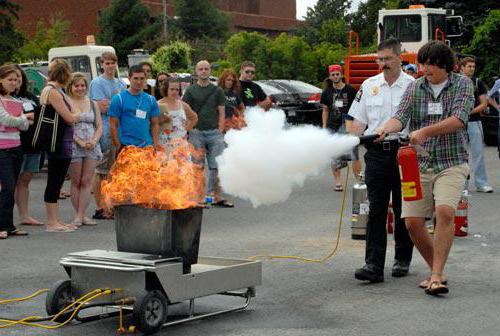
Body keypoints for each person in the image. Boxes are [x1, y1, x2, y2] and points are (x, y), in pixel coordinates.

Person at [378, 41, 474, 295]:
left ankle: (434, 276)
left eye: (431, 64)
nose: (426, 69)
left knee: (444, 212)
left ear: (446, 66)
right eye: (423, 63)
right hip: (417, 163)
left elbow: (459, 119)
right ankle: (438, 271)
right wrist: (387, 127)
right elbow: (401, 116)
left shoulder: (462, 84)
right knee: (411, 223)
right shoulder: (415, 87)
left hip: (451, 161)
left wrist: (423, 132)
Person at [348, 38, 415, 283]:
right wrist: (350, 142)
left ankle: (402, 259)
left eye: (387, 59)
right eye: (380, 59)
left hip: (404, 153)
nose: (383, 64)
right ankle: (373, 265)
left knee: (403, 208)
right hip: (376, 153)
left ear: (400, 57)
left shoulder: (413, 86)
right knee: (375, 208)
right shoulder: (369, 85)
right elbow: (358, 121)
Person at [41, 59, 80, 232]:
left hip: (63, 141)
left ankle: (56, 219)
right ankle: (51, 222)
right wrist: (77, 115)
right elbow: (69, 117)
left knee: (57, 181)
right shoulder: (53, 92)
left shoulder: (56, 90)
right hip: (58, 142)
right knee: (54, 181)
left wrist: (74, 114)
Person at [182, 60, 226, 205]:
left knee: (215, 165)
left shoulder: (217, 90)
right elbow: (185, 111)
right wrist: (188, 130)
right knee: (197, 166)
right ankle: (199, 196)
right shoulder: (190, 91)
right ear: (196, 71)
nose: (203, 71)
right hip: (197, 133)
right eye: (200, 69)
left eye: (206, 69)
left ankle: (211, 193)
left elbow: (221, 111)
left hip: (214, 133)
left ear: (210, 70)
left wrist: (220, 129)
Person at [88, 51, 126, 220]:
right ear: (102, 64)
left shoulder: (120, 83)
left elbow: (124, 106)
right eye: (107, 63)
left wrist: (114, 105)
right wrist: (114, 105)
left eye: (113, 63)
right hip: (105, 129)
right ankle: (100, 206)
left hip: (120, 130)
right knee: (102, 170)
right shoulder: (97, 83)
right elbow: (103, 108)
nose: (110, 66)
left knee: (114, 171)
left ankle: (110, 204)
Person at [0, 64, 34, 239]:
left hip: (16, 146)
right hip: (2, 150)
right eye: (10, 80)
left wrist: (20, 120)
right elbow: (5, 119)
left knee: (11, 188)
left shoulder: (16, 101)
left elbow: (26, 126)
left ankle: (9, 225)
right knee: (7, 187)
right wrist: (22, 119)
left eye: (16, 80)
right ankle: (2, 226)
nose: (14, 83)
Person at [68, 73, 103, 226]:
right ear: (71, 87)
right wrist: (80, 142)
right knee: (76, 181)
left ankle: (82, 214)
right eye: (77, 86)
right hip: (74, 144)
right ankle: (78, 214)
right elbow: (67, 126)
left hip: (92, 145)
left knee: (87, 181)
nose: (80, 88)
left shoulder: (92, 104)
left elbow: (99, 125)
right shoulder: (67, 103)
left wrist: (94, 140)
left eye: (82, 85)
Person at [320, 64, 360, 191]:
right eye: (333, 74)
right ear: (330, 77)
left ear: (342, 75)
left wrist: (357, 125)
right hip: (333, 125)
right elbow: (325, 110)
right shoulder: (327, 92)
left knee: (354, 154)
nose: (336, 76)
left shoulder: (351, 90)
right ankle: (338, 181)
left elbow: (358, 108)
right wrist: (324, 126)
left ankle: (359, 180)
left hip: (348, 125)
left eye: (338, 74)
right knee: (334, 153)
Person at [13, 65, 43, 226]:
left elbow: (38, 116)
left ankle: (24, 215)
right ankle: (5, 219)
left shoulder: (30, 97)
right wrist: (25, 117)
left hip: (33, 144)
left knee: (25, 181)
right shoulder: (4, 98)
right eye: (12, 78)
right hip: (13, 144)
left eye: (18, 77)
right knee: (9, 182)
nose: (16, 80)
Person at [460, 57, 493, 193]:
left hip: (474, 122)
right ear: (462, 67)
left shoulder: (478, 82)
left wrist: (469, 112)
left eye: (473, 66)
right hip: (458, 124)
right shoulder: (455, 82)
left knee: (478, 154)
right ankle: (462, 186)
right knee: (461, 155)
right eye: (469, 66)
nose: (472, 69)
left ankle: (481, 183)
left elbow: (484, 104)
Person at [109, 64, 160, 152]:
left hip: (146, 147)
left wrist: (155, 144)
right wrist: (118, 146)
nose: (139, 82)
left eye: (142, 78)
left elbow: (155, 124)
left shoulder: (151, 100)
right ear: (129, 78)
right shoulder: (119, 99)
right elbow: (113, 125)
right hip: (126, 147)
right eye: (136, 78)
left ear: (145, 79)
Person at [157, 77, 197, 147]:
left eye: (177, 90)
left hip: (181, 146)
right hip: (163, 145)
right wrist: (162, 120)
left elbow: (194, 118)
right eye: (172, 89)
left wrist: (187, 129)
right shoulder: (157, 105)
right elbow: (151, 124)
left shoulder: (183, 105)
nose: (175, 92)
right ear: (166, 89)